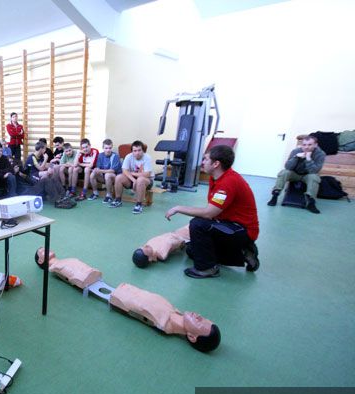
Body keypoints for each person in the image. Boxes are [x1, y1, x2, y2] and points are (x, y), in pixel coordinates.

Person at [35, 248, 221, 352]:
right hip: (121, 290)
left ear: (192, 337)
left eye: (200, 323)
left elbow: (139, 307)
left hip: (123, 295)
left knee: (82, 270)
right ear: (42, 262)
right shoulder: (171, 311)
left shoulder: (164, 320)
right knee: (79, 269)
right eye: (204, 318)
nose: (199, 316)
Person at [164, 145, 260, 278]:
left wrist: (178, 208)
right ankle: (243, 253)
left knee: (198, 224)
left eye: (205, 159)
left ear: (216, 164)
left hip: (242, 230)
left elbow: (208, 213)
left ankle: (208, 269)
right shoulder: (216, 178)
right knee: (192, 250)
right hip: (228, 224)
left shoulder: (228, 182)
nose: (202, 162)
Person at [267, 135, 326, 214]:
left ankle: (311, 203)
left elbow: (314, 171)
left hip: (308, 175)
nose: (306, 147)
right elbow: (287, 167)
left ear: (315, 145)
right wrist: (295, 157)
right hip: (295, 174)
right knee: (284, 172)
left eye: (310, 145)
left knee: (314, 177)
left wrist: (308, 159)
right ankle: (275, 196)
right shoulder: (296, 151)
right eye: (304, 145)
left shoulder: (320, 154)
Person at [111, 140, 154, 214]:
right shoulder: (129, 156)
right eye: (135, 151)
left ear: (143, 150)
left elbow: (147, 174)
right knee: (118, 177)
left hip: (147, 181)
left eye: (139, 150)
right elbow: (124, 170)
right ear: (132, 151)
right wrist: (134, 180)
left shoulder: (147, 157)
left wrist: (132, 174)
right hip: (132, 179)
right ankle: (118, 200)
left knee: (140, 180)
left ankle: (139, 204)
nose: (137, 153)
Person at [89, 138, 121, 203]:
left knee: (107, 175)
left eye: (110, 148)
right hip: (104, 176)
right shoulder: (100, 155)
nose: (108, 150)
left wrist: (100, 171)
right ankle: (95, 193)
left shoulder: (115, 156)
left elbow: (112, 171)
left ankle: (109, 196)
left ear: (112, 148)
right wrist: (96, 170)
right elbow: (98, 168)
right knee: (93, 174)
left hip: (115, 178)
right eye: (106, 148)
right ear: (103, 148)